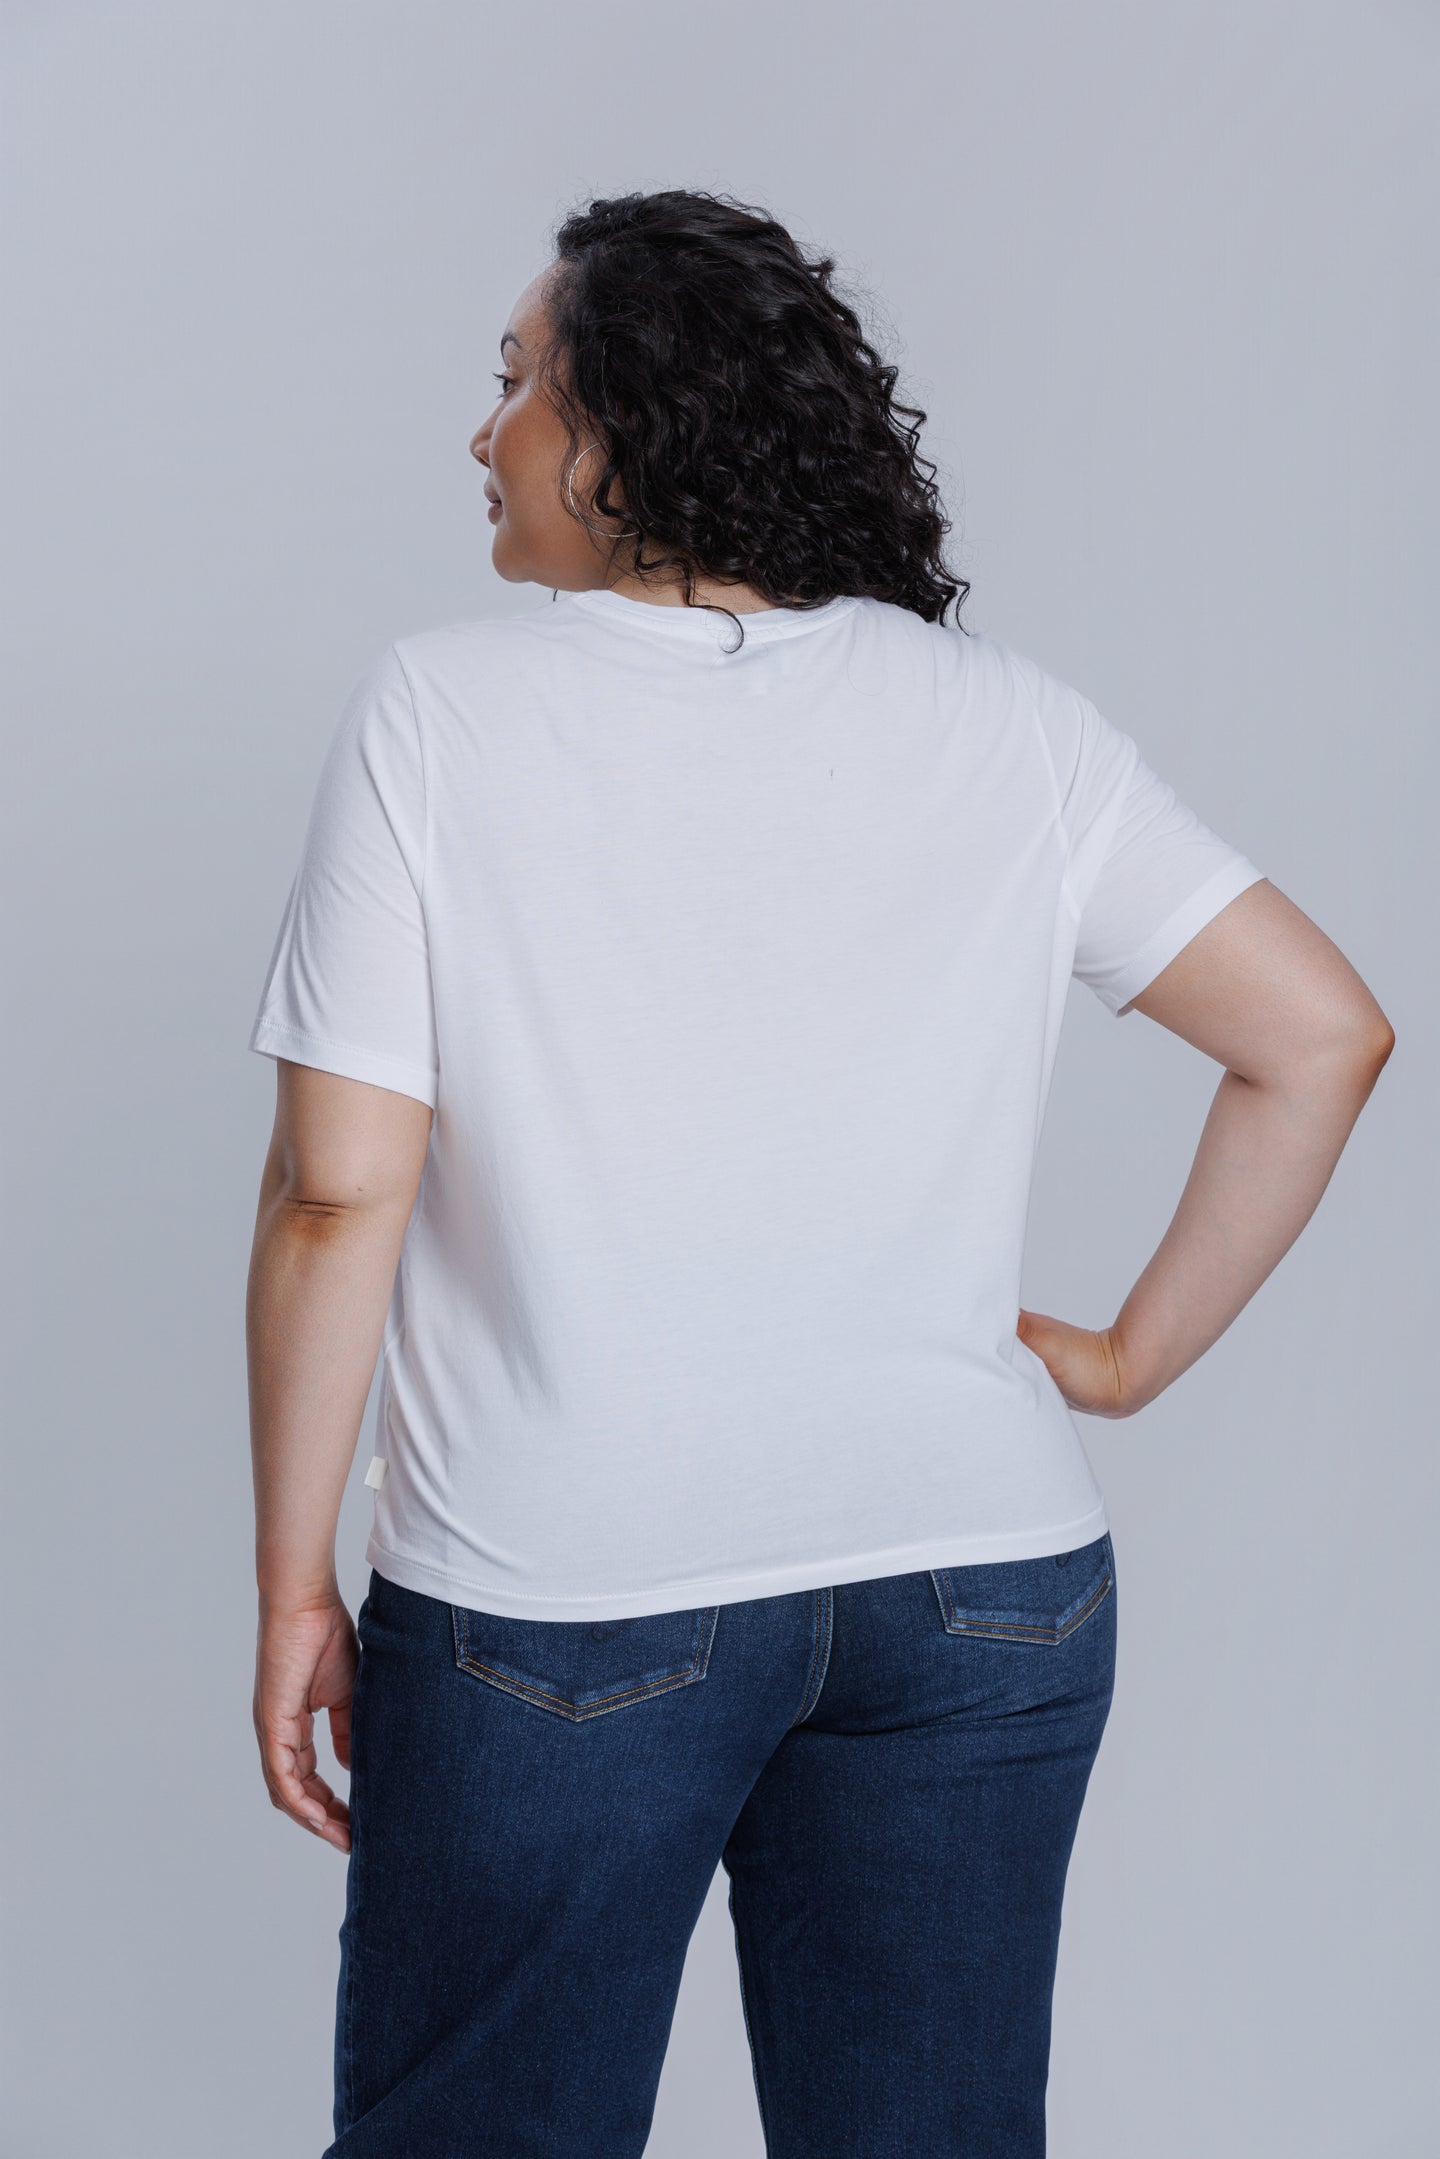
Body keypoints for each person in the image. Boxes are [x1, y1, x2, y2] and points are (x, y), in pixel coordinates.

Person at [244, 188, 1395, 2158]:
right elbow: (1320, 1035)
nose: (483, 429)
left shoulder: (442, 711)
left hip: (561, 1595)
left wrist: (291, 1590)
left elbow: (339, 1193)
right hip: (983, 1586)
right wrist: (1123, 1364)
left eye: (518, 380)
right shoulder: (1007, 721)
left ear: (627, 423)